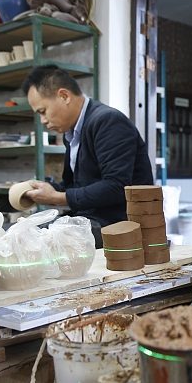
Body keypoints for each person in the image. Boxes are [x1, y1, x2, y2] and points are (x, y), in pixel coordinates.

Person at [21, 65, 154, 247]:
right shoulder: (72, 133)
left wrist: (57, 198)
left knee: (29, 239)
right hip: (89, 219)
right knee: (17, 230)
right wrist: (44, 189)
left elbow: (117, 187)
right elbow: (76, 186)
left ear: (64, 96)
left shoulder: (108, 121)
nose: (43, 121)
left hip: (119, 224)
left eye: (43, 112)